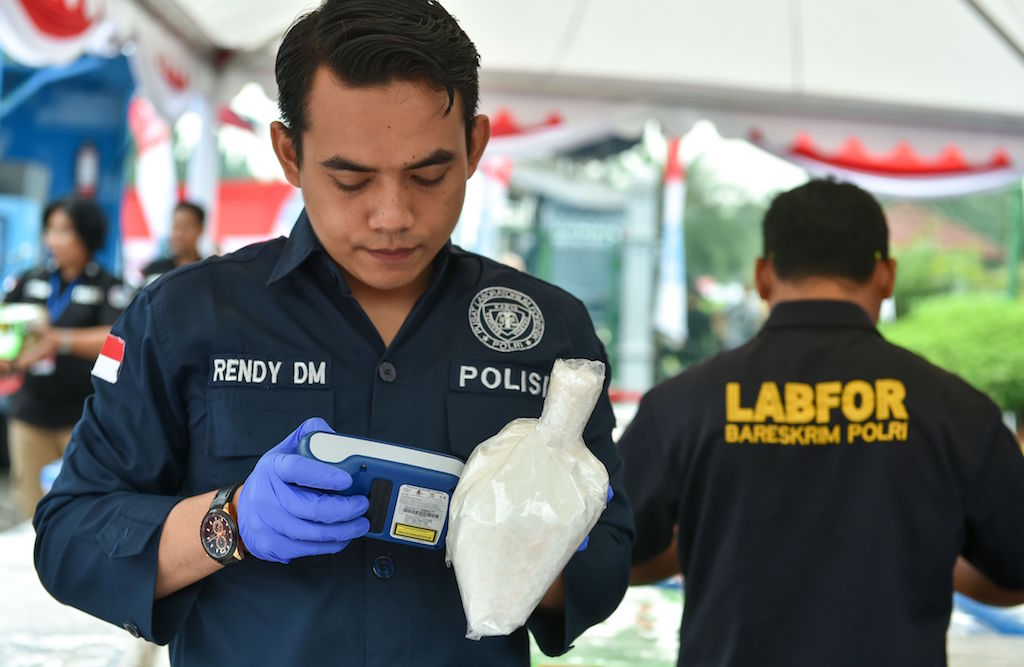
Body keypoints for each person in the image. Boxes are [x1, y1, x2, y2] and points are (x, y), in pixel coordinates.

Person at [33, 2, 634, 665]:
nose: (392, 215)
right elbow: (69, 537)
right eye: (351, 179)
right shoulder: (184, 314)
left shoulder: (550, 331)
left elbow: (608, 560)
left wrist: (528, 544)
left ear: (475, 146)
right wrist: (230, 522)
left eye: (428, 176)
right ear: (289, 154)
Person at [619, 179, 1024, 666]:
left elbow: (610, 555)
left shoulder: (683, 404)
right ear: (886, 276)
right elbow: (1015, 573)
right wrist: (924, 548)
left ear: (763, 275)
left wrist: (708, 539)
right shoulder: (956, 411)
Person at [0, 195, 126, 519]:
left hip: (83, 418)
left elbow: (117, 339)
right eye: (50, 230)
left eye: (64, 230)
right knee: (31, 509)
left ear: (86, 234)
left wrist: (59, 341)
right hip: (30, 414)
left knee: (79, 510)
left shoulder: (108, 286)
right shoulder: (30, 279)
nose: (53, 240)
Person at [141, 200, 205, 284]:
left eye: (186, 227)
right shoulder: (155, 271)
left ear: (200, 229)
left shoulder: (207, 271)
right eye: (176, 227)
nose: (179, 234)